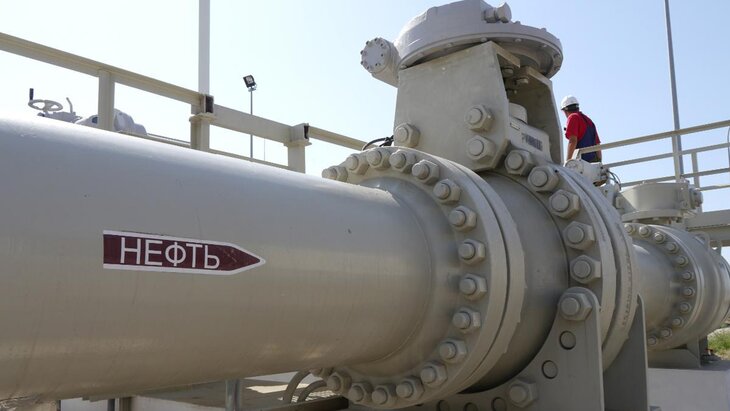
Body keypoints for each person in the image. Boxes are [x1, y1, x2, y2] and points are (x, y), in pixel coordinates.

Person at [560, 95, 602, 163]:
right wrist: (599, 163)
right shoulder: (589, 120)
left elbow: (572, 141)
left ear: (565, 111)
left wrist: (568, 161)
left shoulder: (573, 117)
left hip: (581, 162)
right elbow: (597, 144)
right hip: (592, 162)